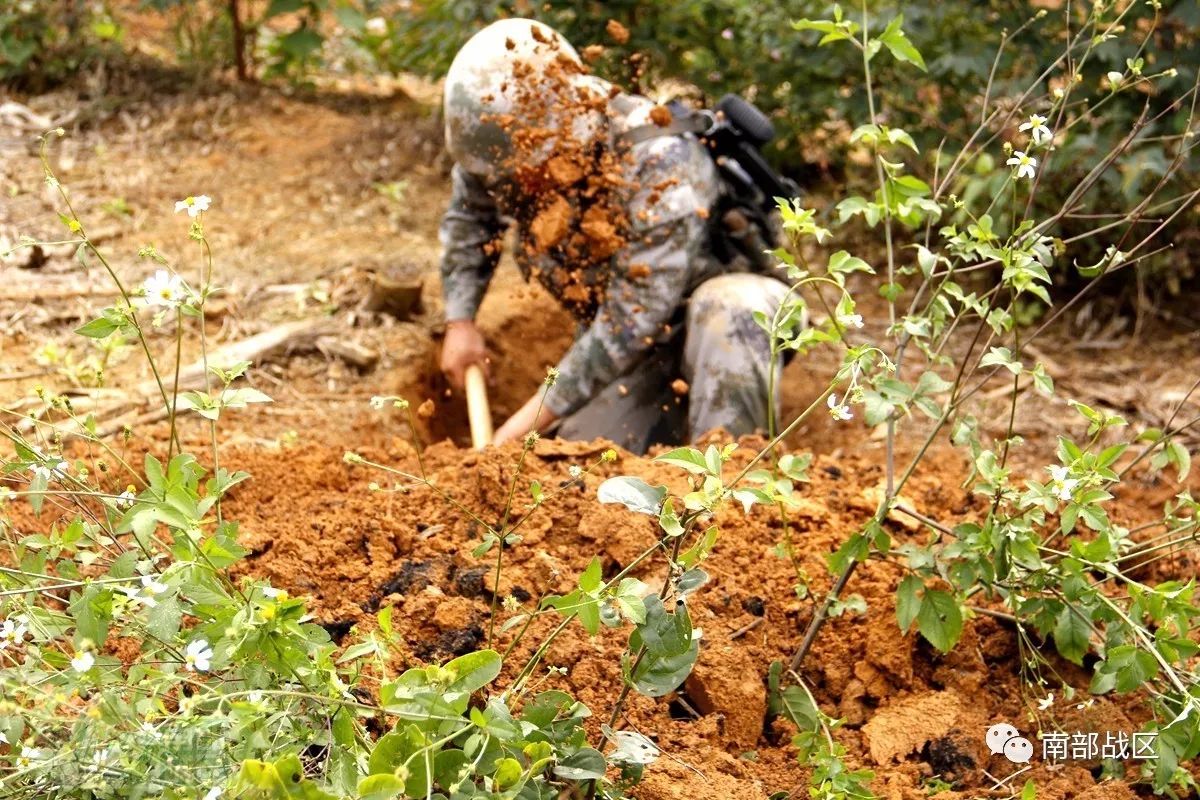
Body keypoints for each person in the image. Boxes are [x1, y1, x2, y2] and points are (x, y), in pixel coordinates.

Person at [438, 17, 791, 454]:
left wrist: (514, 432)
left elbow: (630, 318)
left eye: (526, 172)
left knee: (729, 311)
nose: (515, 187)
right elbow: (471, 217)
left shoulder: (659, 158)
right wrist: (461, 321)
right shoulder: (499, 153)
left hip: (716, 307)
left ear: (563, 134)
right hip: (641, 345)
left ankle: (732, 488)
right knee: (577, 468)